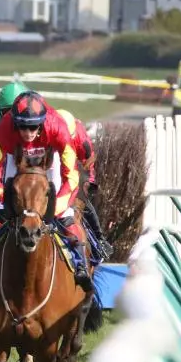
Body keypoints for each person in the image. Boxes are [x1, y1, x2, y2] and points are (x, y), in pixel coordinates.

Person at [0, 91, 93, 289]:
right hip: (16, 160)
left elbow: (72, 175)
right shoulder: (5, 128)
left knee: (65, 214)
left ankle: (80, 264)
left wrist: (55, 206)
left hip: (51, 163)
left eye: (33, 127)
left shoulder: (56, 126)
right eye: (22, 126)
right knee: (0, 212)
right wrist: (8, 199)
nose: (28, 132)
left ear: (42, 123)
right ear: (15, 122)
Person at [57, 107, 111, 260]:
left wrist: (88, 182)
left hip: (79, 167)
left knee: (83, 200)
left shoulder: (82, 141)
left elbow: (88, 163)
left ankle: (100, 240)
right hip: (56, 165)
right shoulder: (49, 132)